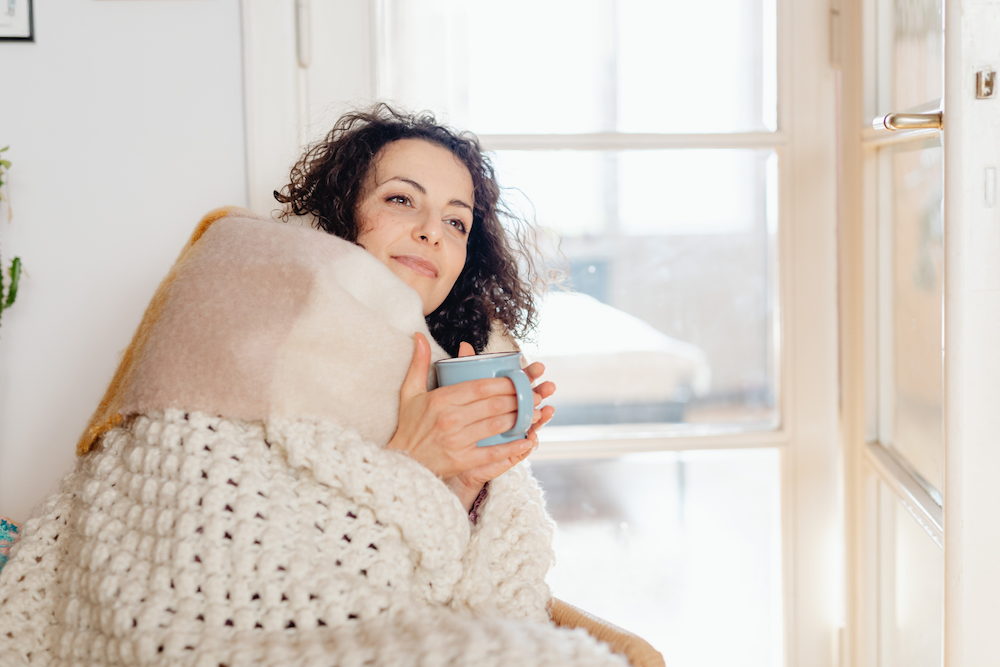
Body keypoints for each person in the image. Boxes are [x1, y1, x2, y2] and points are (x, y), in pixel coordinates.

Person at [0, 105, 637, 667]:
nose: (431, 232)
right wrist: (411, 466)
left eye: (457, 222)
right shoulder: (243, 301)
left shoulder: (467, 362)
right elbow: (210, 582)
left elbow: (490, 598)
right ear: (341, 213)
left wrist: (469, 486)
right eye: (400, 199)